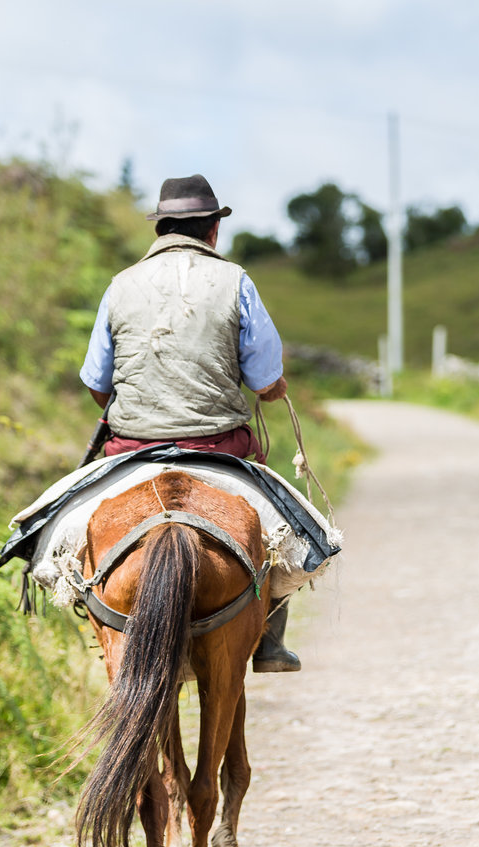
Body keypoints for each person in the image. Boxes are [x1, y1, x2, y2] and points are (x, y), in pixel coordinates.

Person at [79, 173, 301, 673]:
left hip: (132, 449)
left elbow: (97, 382)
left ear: (161, 228)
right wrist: (273, 389)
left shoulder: (120, 286)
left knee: (66, 537)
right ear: (212, 231)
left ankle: (97, 617)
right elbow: (265, 376)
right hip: (218, 446)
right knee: (290, 533)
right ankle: (267, 640)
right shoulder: (235, 281)